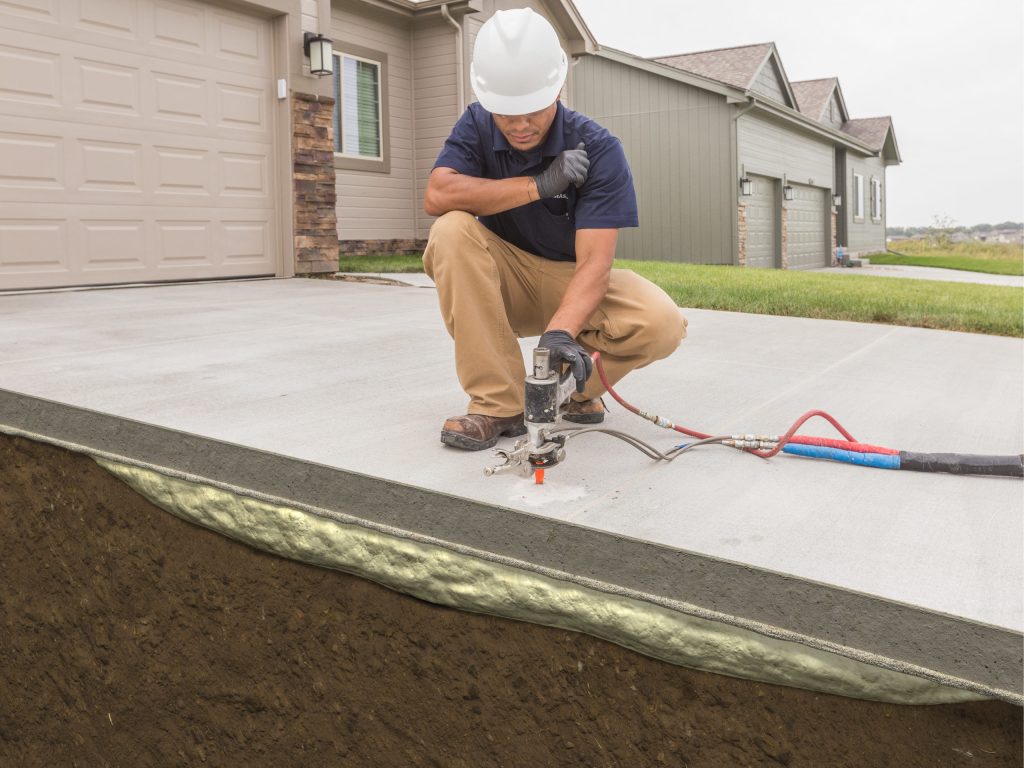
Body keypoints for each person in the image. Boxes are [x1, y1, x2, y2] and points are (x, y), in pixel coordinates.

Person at [424, 7, 686, 451]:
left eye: (532, 110)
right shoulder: (475, 122)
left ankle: (573, 393)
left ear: (557, 88)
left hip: (570, 280)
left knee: (660, 322)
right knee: (450, 230)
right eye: (506, 113)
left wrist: (560, 333)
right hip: (500, 279)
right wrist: (537, 185)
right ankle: (497, 405)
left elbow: (596, 264)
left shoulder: (599, 148)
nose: (520, 124)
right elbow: (438, 195)